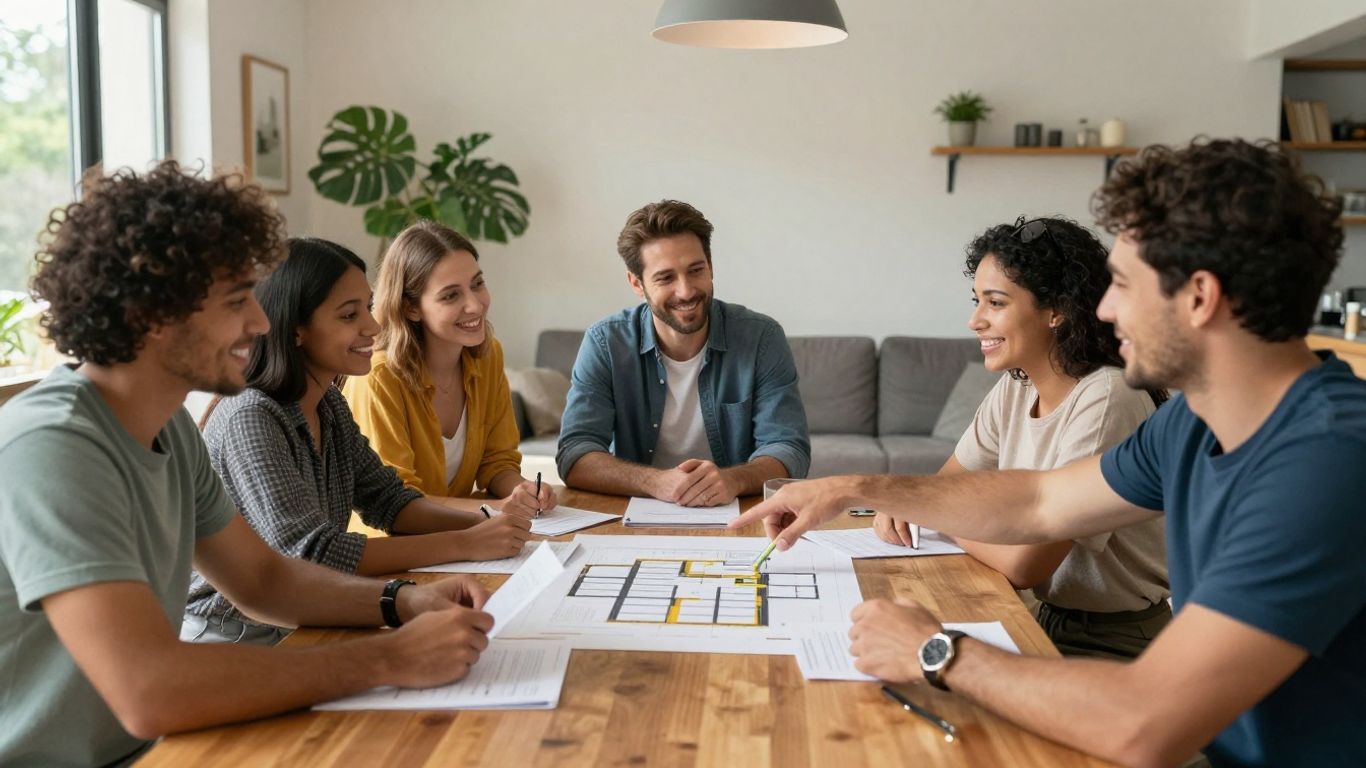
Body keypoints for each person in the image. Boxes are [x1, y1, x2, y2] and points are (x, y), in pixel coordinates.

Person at [734, 139, 1364, 767]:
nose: (1107, 308)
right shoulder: (1194, 422)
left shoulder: (1328, 460)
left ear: (1199, 296)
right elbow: (1040, 500)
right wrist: (855, 488)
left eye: (1121, 284)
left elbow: (1145, 722)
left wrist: (937, 650)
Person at [0, 162, 495, 768]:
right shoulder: (54, 445)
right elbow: (146, 689)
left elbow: (265, 581)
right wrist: (390, 658)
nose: (261, 323)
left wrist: (401, 602)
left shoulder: (171, 426)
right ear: (153, 315)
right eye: (238, 302)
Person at [185, 237, 532, 645]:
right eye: (350, 315)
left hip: (312, 614)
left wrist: (488, 522)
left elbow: (389, 501)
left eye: (367, 308)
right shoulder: (252, 416)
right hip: (234, 634)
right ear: (295, 330)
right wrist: (465, 542)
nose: (374, 326)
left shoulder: (328, 400)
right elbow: (313, 553)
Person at [874, 216, 1169, 659]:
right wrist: (923, 504)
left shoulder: (1108, 395)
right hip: (1047, 617)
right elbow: (946, 489)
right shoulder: (1018, 385)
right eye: (977, 301)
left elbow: (1026, 563)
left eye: (995, 303)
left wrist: (937, 514)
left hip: (1116, 640)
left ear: (1056, 310)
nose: (975, 320)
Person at [557, 199, 810, 505]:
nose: (686, 291)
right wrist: (656, 482)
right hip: (638, 513)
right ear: (637, 284)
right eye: (666, 278)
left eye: (695, 270)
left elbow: (788, 447)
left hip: (737, 511)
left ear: (711, 266)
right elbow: (574, 452)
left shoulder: (762, 338)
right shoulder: (604, 343)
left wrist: (732, 479)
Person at [343, 220, 555, 516]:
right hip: (393, 547)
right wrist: (494, 508)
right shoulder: (378, 378)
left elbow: (498, 462)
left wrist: (522, 490)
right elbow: (396, 499)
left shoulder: (488, 356)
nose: (475, 305)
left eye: (477, 284)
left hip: (462, 538)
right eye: (451, 295)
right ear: (410, 308)